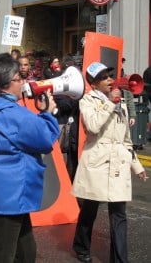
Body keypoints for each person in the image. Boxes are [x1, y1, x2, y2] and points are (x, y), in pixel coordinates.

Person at [0, 53, 60, 263]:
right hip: (10, 195)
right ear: (5, 84)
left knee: (25, 252)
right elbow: (45, 138)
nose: (22, 83)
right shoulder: (14, 114)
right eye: (18, 79)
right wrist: (47, 113)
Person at [72, 62, 147, 263]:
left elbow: (126, 139)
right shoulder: (87, 101)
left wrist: (137, 166)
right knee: (90, 210)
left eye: (109, 76)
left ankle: (120, 259)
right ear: (94, 83)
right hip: (97, 164)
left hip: (118, 166)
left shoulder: (119, 102)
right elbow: (94, 126)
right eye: (104, 77)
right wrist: (110, 103)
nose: (110, 80)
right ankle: (81, 246)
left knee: (119, 214)